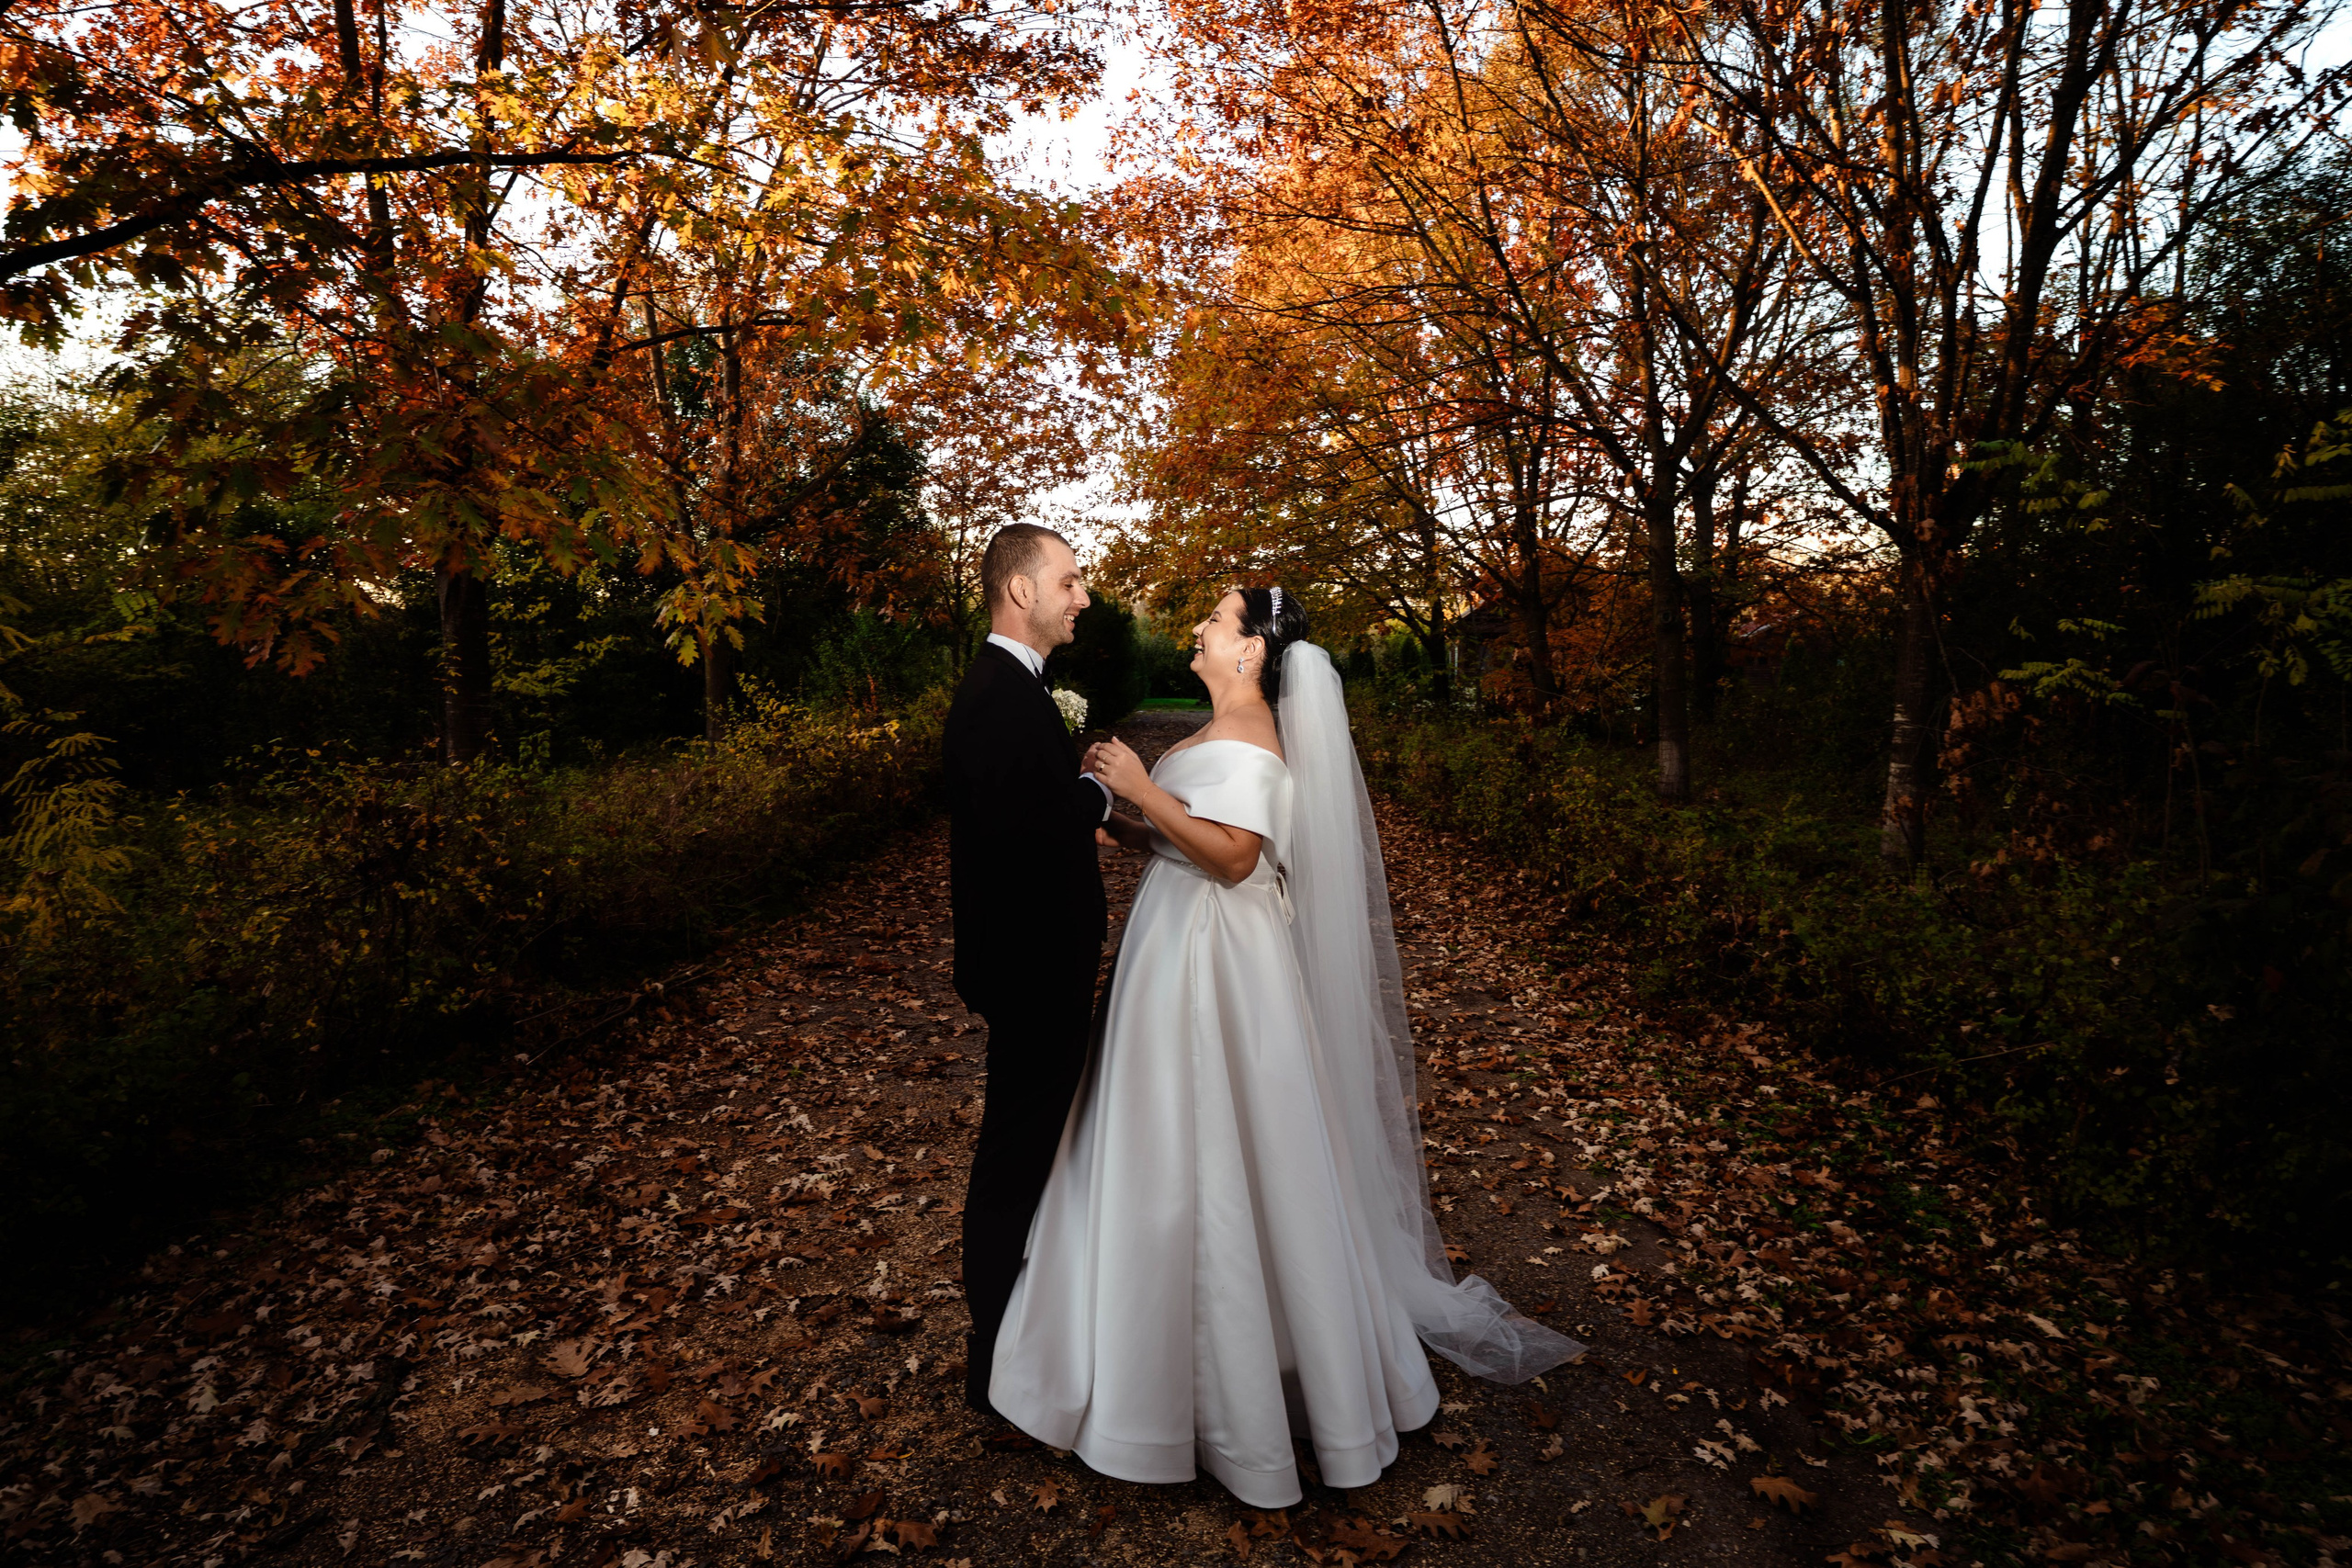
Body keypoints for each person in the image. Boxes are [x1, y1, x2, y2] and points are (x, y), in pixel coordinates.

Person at [988, 585, 1579, 1507]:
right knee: (1157, 1135)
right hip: (1172, 944)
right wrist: (1132, 822)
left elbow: (1235, 859)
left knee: (1221, 1139)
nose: (1199, 627)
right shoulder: (1216, 727)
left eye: (1216, 619)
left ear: (1253, 651)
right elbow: (1192, 839)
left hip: (1217, 963)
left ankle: (1231, 1385)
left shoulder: (1257, 736)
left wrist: (1144, 789)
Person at [942, 523, 1112, 1418]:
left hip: (1037, 966)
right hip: (1032, 972)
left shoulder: (1013, 688)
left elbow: (1023, 816)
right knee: (1014, 1160)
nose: (1083, 596)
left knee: (1031, 1151)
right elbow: (1033, 834)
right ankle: (996, 1361)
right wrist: (1101, 791)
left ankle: (1020, 1345)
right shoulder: (997, 698)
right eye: (1069, 581)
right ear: (1021, 591)